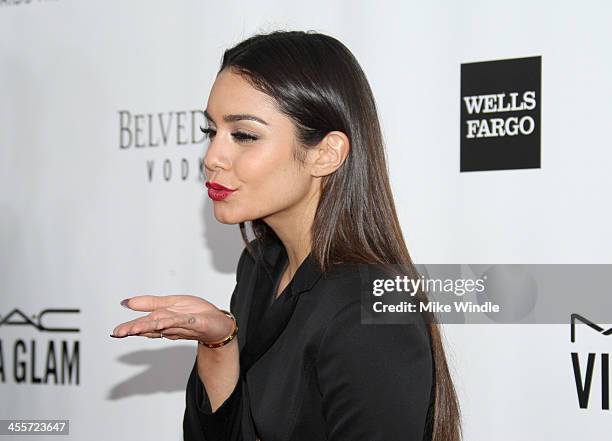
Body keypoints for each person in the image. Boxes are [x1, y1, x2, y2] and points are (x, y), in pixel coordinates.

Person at [111, 30, 461, 441]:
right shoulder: (262, 266)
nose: (212, 158)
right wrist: (219, 343)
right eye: (211, 132)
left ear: (325, 154)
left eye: (244, 135)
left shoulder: (370, 309)